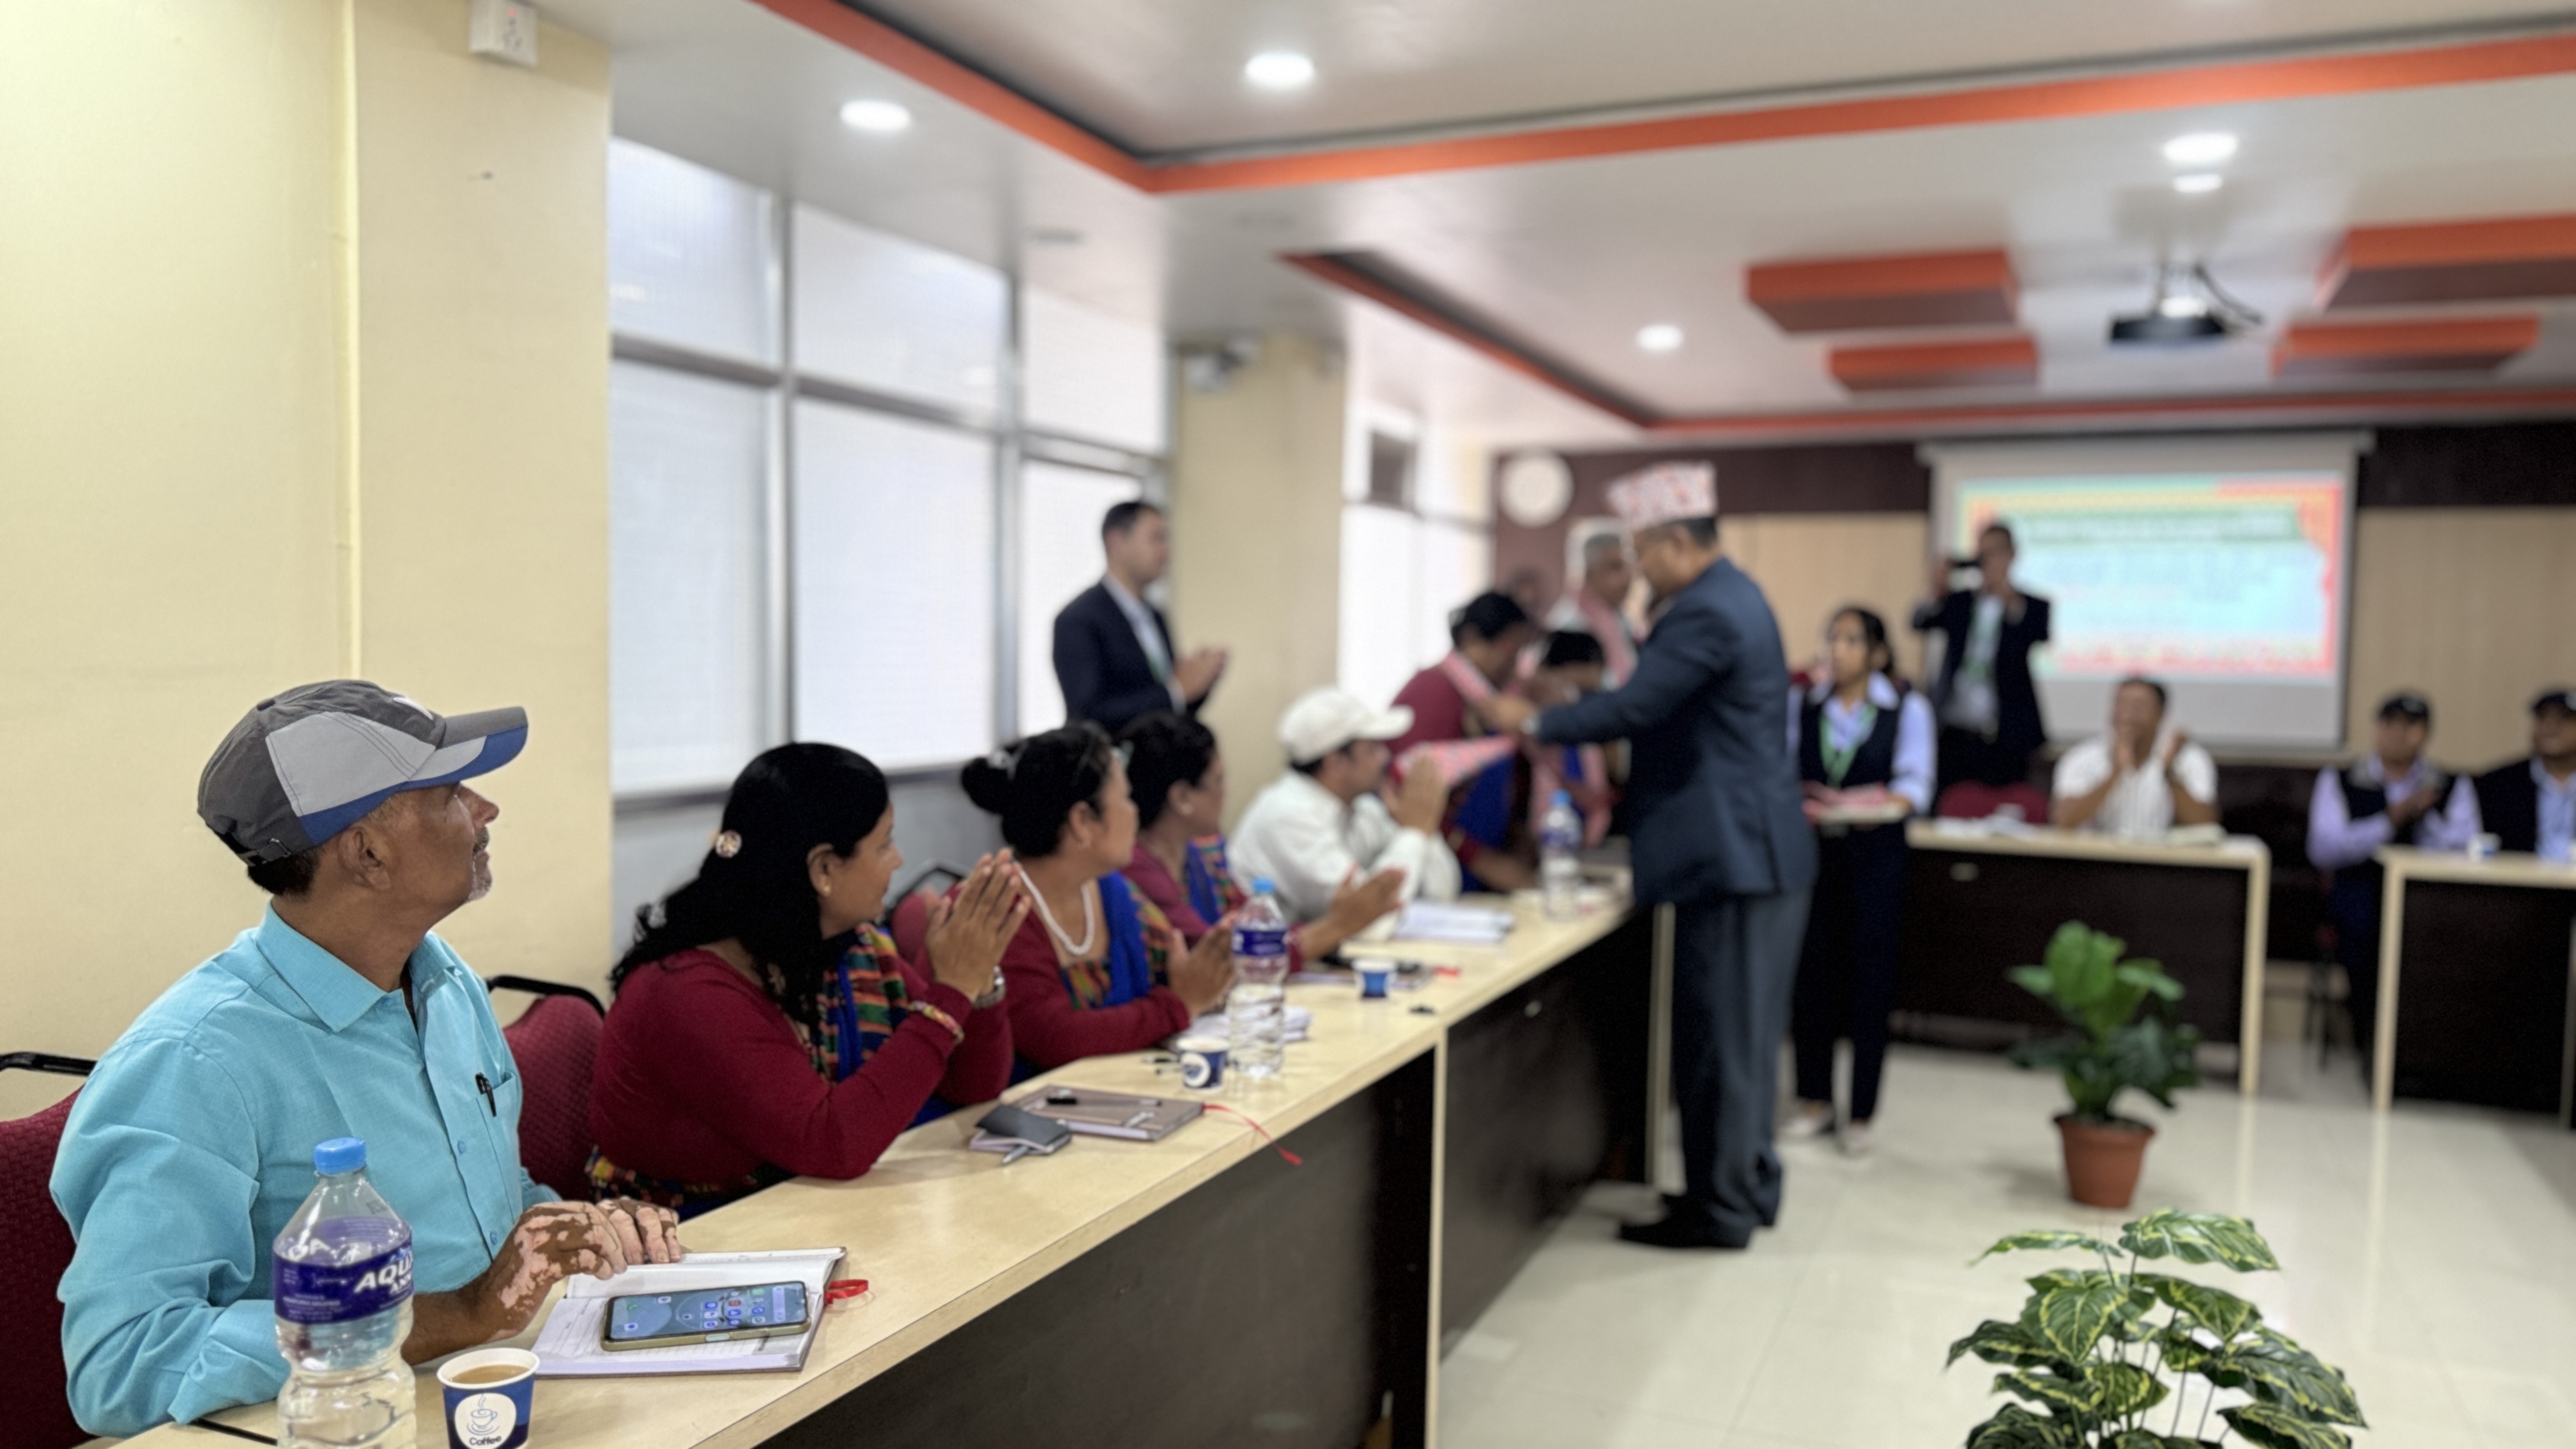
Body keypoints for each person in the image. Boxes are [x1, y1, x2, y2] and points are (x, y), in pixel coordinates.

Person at [51, 682, 681, 1436]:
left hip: (503, 1391)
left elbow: (485, 1211)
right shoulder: (195, 1061)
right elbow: (121, 1364)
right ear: (368, 853)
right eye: (450, 793)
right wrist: (450, 1316)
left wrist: (580, 1234)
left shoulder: (444, 982)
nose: (485, 809)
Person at [1483, 464, 1816, 1251]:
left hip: (1732, 858)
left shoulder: (1704, 611)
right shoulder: (1737, 594)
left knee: (1721, 1043)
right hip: (1754, 853)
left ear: (1676, 542)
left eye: (1641, 552)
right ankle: (1745, 1187)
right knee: (1747, 1040)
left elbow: (1638, 707)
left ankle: (1718, 1210)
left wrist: (1531, 719)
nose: (1638, 570)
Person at [588, 744, 1026, 1215]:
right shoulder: (685, 991)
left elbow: (972, 1087)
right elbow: (832, 1143)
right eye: (884, 845)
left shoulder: (852, 949)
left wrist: (977, 977)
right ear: (823, 869)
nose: (898, 860)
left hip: (815, 1217)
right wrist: (950, 993)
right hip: (690, 1236)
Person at [962, 723, 1238, 1071]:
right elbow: (1057, 1038)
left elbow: (1175, 967)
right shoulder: (997, 910)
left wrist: (1203, 982)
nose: (1135, 812)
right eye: (1125, 798)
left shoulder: (1112, 891)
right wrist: (1178, 1005)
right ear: (1082, 820)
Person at [1782, 608, 1935, 1157]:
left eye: (1852, 641)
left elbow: (1916, 784)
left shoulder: (1906, 708)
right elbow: (1784, 769)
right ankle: (1814, 1099)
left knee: (1871, 981)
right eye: (1833, 639)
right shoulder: (1805, 703)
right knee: (1812, 976)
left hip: (1876, 856)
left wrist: (1877, 804)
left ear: (1878, 654)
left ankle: (1862, 1112)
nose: (1838, 651)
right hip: (1816, 853)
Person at [1117, 710, 1409, 961]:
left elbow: (1255, 930)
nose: (1227, 792)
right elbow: (1221, 958)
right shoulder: (1135, 868)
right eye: (1218, 781)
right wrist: (1338, 925)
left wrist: (1333, 923)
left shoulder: (1205, 851)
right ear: (1182, 798)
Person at [2308, 691, 2475, 1058]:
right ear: (2376, 728)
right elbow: (2323, 848)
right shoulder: (2342, 779)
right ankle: (2370, 1037)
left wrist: (2423, 817)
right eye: (2390, 723)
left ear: (2427, 732)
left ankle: (2422, 1045)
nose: (2399, 733)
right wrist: (2389, 822)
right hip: (2361, 896)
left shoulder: (2448, 784)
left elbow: (2467, 850)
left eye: (2410, 724)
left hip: (2429, 901)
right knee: (2363, 926)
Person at [1233, 686, 1464, 926]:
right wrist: (1414, 832)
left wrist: (1424, 829)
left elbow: (1440, 896)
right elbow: (1369, 919)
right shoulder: (1288, 816)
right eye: (1372, 750)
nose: (1385, 757)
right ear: (1336, 764)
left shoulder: (1363, 808)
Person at [1390, 591, 1544, 892]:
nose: (1513, 666)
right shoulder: (1433, 692)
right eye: (1509, 650)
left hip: (1481, 866)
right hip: (1438, 870)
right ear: (1472, 639)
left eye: (1520, 654)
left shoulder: (1487, 700)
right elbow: (1406, 798)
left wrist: (1517, 837)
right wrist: (1481, 859)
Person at [1053, 500, 1227, 731]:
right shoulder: (1078, 620)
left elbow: (1169, 707)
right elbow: (1088, 714)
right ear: (1117, 543)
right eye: (1156, 538)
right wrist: (1174, 691)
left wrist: (1199, 680)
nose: (1167, 550)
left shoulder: (1156, 615)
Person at [1913, 522, 2052, 800]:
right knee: (1952, 802)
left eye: (1997, 552)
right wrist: (1936, 588)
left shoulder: (2031, 606)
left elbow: (2037, 634)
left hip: (2006, 735)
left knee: (2007, 804)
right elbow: (1919, 622)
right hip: (1955, 731)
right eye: (1984, 553)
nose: (1990, 561)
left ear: (2012, 555)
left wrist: (2006, 597)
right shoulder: (1960, 602)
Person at [2049, 677, 2220, 836]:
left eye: (2137, 707)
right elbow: (2063, 820)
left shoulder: (2187, 758)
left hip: (2161, 857)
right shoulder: (2082, 757)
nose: (2126, 715)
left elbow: (2205, 825)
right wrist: (2115, 773)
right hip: (2095, 857)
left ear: (2161, 714)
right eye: (2120, 705)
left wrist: (2169, 773)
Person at [2452, 687, 2576, 862]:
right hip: (2518, 877)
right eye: (2542, 717)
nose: (2550, 726)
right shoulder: (2500, 784)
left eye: (2564, 718)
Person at [1547, 532, 1641, 687]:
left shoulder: (1618, 617)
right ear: (1589, 573)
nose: (1627, 577)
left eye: (1628, 567)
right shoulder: (1570, 624)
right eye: (1615, 567)